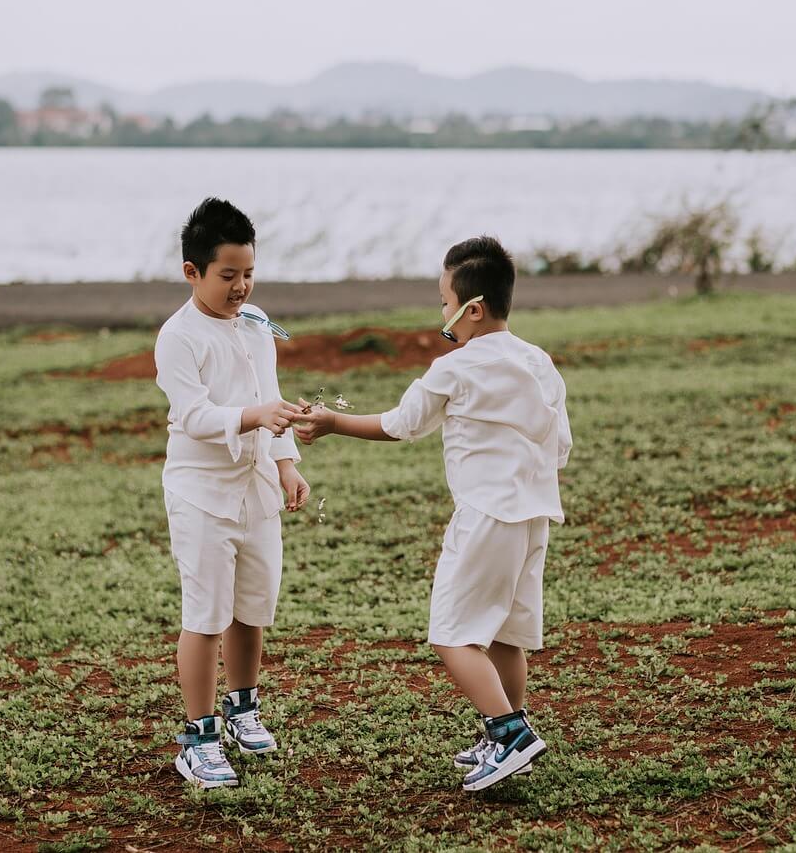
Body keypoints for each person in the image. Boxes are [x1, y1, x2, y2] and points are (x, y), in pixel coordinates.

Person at [294, 236, 571, 791]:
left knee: (452, 633)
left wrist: (331, 421)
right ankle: (501, 737)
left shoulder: (456, 367)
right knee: (504, 635)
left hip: (485, 516)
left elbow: (400, 424)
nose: (441, 312)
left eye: (445, 302)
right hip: (534, 515)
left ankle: (509, 732)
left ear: (472, 309)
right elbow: (559, 444)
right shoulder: (538, 362)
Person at [154, 197, 310, 788]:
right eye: (228, 276)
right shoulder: (177, 337)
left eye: (248, 273)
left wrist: (287, 463)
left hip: (257, 488)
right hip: (201, 493)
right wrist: (255, 416)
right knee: (207, 613)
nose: (241, 287)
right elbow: (194, 416)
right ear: (192, 272)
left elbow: (271, 392)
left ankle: (243, 709)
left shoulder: (257, 323)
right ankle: (198, 737)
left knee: (252, 607)